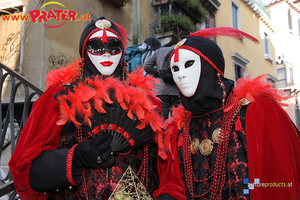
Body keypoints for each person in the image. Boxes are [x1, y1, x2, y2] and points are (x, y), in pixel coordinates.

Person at [9, 17, 164, 200]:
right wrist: (75, 157)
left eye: (113, 46)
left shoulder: (147, 102)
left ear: (122, 52)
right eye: (96, 46)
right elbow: (24, 166)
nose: (106, 53)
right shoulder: (58, 97)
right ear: (84, 52)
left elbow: (164, 164)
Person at [153, 27, 300, 200]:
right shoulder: (179, 128)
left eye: (189, 64)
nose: (181, 76)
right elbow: (175, 184)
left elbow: (277, 180)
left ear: (211, 66)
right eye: (175, 69)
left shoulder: (254, 110)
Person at [144, 45, 180, 120]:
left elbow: (147, 66)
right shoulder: (180, 50)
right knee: (177, 119)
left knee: (162, 119)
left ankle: (164, 131)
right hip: (176, 89)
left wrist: (158, 73)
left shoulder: (159, 51)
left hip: (160, 89)